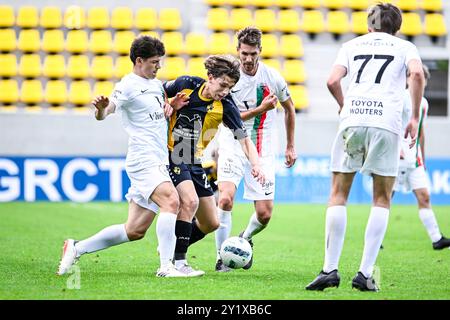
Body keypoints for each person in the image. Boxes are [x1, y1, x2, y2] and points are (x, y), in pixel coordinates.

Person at [305, 3, 425, 292]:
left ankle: (329, 270)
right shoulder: (405, 47)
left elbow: (332, 80)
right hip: (386, 123)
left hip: (353, 119)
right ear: (396, 27)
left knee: (337, 195)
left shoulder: (350, 44)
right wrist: (413, 117)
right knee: (382, 198)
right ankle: (365, 273)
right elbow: (417, 76)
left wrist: (345, 106)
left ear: (370, 25)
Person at [57, 35, 188, 278]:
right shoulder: (127, 85)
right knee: (172, 201)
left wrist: (172, 107)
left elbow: (153, 113)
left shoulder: (155, 84)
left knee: (134, 230)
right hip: (143, 159)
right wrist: (101, 108)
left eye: (160, 61)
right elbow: (108, 111)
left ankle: (76, 248)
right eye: (154, 62)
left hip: (156, 159)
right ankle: (167, 267)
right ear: (139, 60)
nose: (158, 66)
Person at [163, 54, 265, 276]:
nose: (225, 91)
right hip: (173, 154)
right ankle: (178, 263)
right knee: (188, 202)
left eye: (229, 87)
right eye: (223, 85)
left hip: (195, 160)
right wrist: (168, 103)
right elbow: (159, 90)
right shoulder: (186, 84)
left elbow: (244, 139)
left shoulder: (226, 106)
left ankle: (171, 251)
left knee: (211, 223)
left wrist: (255, 164)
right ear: (210, 77)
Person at [214, 26, 297, 272]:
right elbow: (228, 117)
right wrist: (261, 109)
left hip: (262, 150)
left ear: (260, 51)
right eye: (244, 54)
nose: (248, 59)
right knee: (226, 199)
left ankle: (244, 237)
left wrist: (291, 145)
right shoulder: (230, 78)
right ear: (238, 51)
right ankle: (222, 259)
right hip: (232, 143)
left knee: (264, 214)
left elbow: (290, 108)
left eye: (253, 54)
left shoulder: (273, 78)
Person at [393, 65, 450, 250]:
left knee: (424, 196)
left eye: (423, 80)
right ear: (409, 79)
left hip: (414, 158)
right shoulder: (399, 99)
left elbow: (420, 131)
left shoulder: (423, 103)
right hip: (396, 156)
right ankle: (375, 240)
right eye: (418, 79)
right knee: (384, 197)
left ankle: (436, 238)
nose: (420, 83)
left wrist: (422, 158)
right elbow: (391, 126)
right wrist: (395, 149)